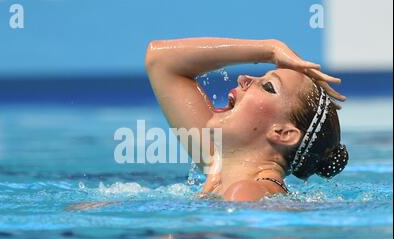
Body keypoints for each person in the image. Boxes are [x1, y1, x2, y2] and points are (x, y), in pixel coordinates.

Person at [145, 38, 348, 202]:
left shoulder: (246, 192)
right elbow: (161, 60)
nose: (244, 78)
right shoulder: (220, 163)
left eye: (268, 86)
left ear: (283, 133)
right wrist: (271, 49)